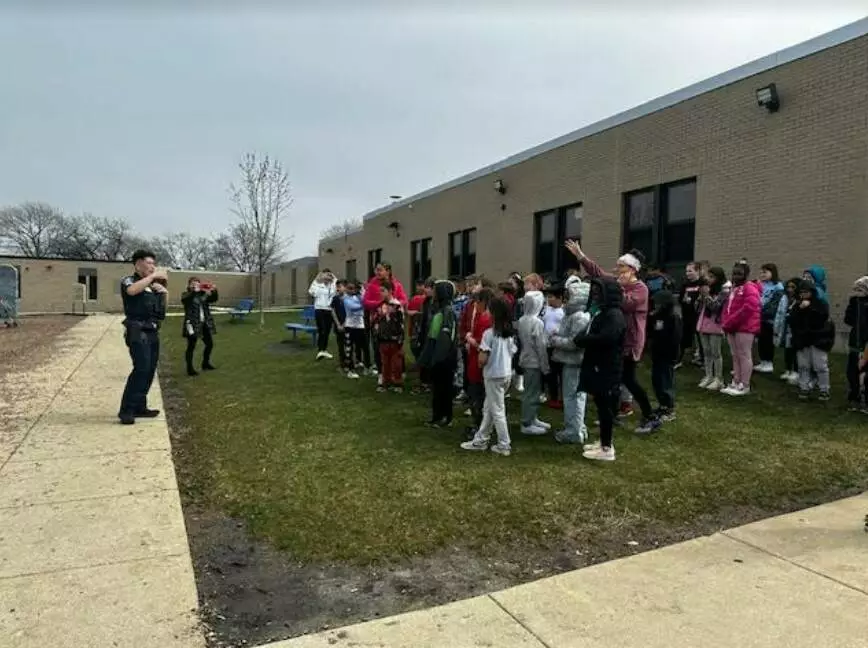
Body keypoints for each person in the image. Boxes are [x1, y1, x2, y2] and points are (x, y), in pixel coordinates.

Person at [564, 240, 657, 432]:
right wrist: (580, 256)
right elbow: (598, 273)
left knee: (629, 380)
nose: (617, 270)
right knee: (615, 379)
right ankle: (611, 416)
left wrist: (617, 288)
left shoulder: (641, 289)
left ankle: (649, 414)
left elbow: (627, 304)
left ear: (633, 269)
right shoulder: (619, 283)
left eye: (621, 267)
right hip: (617, 338)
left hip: (631, 341)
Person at [574, 277, 626, 462]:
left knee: (606, 408)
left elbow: (607, 338)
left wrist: (583, 340)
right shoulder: (603, 312)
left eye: (598, 292)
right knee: (601, 404)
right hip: (599, 364)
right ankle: (605, 441)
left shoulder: (614, 315)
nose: (595, 295)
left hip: (607, 366)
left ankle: (606, 448)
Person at [460, 297, 518, 456]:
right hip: (505, 374)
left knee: (497, 410)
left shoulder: (489, 334)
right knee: (489, 408)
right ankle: (481, 439)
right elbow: (513, 351)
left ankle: (504, 444)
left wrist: (479, 360)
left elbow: (483, 358)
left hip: (493, 375)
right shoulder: (508, 333)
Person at [118, 249, 168, 425]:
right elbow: (131, 291)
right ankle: (126, 410)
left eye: (154, 264)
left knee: (149, 370)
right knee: (141, 368)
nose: (153, 267)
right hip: (137, 330)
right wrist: (152, 278)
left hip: (152, 330)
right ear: (138, 264)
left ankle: (140, 406)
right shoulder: (129, 280)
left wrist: (163, 293)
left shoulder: (150, 287)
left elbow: (160, 312)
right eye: (149, 263)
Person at [548, 276, 592, 444]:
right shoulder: (573, 315)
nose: (565, 300)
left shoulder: (579, 317)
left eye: (569, 296)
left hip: (575, 361)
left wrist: (555, 340)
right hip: (571, 361)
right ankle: (577, 427)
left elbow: (575, 342)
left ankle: (573, 431)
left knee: (572, 396)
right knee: (575, 395)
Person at [420, 280, 459, 427]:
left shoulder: (448, 312)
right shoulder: (437, 310)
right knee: (436, 388)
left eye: (436, 290)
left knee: (445, 388)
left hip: (445, 356)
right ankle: (436, 415)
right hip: (436, 353)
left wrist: (439, 357)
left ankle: (446, 416)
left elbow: (447, 337)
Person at [363, 262, 408, 384]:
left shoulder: (396, 284)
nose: (377, 272)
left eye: (380, 270)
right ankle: (381, 373)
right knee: (379, 348)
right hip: (378, 322)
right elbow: (365, 302)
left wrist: (394, 305)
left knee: (396, 349)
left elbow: (403, 300)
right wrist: (379, 304)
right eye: (376, 270)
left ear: (388, 271)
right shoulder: (372, 284)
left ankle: (398, 374)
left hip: (394, 323)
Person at [790, 280, 835, 401]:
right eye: (801, 292)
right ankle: (804, 387)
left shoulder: (820, 304)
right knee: (803, 366)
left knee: (821, 366)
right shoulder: (796, 306)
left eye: (806, 292)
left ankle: (824, 389)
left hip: (817, 339)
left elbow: (823, 318)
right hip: (802, 340)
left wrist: (810, 308)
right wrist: (800, 309)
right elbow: (793, 321)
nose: (804, 295)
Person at [721, 262, 761, 396]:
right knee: (735, 355)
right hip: (732, 326)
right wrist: (726, 321)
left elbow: (749, 308)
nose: (736, 276)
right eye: (734, 273)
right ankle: (736, 380)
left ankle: (745, 384)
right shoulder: (734, 289)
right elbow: (728, 308)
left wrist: (731, 321)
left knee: (744, 355)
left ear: (746, 275)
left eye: (739, 274)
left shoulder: (750, 288)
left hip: (745, 327)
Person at [644, 290, 682, 427]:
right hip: (657, 354)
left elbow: (675, 339)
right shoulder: (656, 317)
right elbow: (651, 332)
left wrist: (672, 354)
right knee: (656, 380)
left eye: (659, 303)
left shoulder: (673, 318)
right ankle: (662, 405)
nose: (656, 305)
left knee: (666, 380)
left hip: (667, 355)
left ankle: (669, 408)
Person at [518, 290, 551, 435]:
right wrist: (545, 366)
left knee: (531, 391)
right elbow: (540, 346)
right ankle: (527, 422)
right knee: (531, 393)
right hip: (534, 361)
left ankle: (533, 417)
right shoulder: (536, 322)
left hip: (526, 359)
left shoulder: (522, 320)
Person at [464, 288, 494, 439]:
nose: (475, 305)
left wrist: (469, 338)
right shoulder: (489, 317)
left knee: (477, 395)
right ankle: (482, 425)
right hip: (479, 363)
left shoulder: (485, 319)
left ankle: (479, 426)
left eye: (477, 301)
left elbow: (482, 344)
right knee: (482, 395)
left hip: (478, 363)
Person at [696, 266, 729, 390]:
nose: (708, 279)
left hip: (716, 324)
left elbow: (715, 307)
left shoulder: (724, 292)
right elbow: (697, 308)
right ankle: (708, 375)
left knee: (716, 352)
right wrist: (700, 298)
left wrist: (707, 295)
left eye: (712, 277)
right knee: (706, 351)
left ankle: (719, 378)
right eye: (708, 276)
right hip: (703, 322)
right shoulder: (706, 290)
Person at [181, 277, 218, 377]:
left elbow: (213, 299)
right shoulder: (186, 295)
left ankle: (205, 363)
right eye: (193, 284)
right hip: (192, 324)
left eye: (197, 283)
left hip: (204, 323)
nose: (195, 285)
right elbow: (186, 300)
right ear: (189, 285)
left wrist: (213, 290)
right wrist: (194, 291)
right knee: (191, 346)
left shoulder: (203, 295)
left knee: (209, 344)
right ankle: (190, 368)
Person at [371, 281, 405, 393]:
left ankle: (398, 383)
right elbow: (376, 321)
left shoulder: (397, 305)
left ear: (390, 291)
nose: (380, 293)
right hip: (382, 339)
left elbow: (401, 323)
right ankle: (386, 382)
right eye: (379, 291)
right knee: (385, 363)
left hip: (395, 339)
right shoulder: (380, 306)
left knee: (396, 363)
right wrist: (377, 332)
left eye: (383, 291)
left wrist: (400, 337)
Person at [755, 263, 784, 374]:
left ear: (773, 273)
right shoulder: (760, 285)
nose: (762, 274)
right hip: (759, 317)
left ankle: (769, 363)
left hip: (769, 318)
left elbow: (775, 304)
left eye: (765, 272)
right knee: (761, 340)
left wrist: (763, 311)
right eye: (761, 272)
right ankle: (763, 361)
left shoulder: (778, 286)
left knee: (768, 340)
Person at [845, 276, 868, 412]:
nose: (857, 290)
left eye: (861, 288)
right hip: (855, 341)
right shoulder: (854, 302)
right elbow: (848, 320)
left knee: (865, 373)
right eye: (856, 288)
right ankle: (854, 397)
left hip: (866, 344)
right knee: (852, 372)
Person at [774, 277, 801, 385]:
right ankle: (787, 369)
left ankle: (795, 371)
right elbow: (779, 313)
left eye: (793, 287)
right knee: (787, 350)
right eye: (788, 287)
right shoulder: (784, 298)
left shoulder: (799, 300)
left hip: (794, 329)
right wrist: (777, 327)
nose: (790, 289)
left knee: (794, 351)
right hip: (784, 328)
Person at [543, 285, 565, 408]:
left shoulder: (563, 312)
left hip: (559, 346)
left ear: (559, 298)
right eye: (548, 297)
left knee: (561, 373)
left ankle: (563, 397)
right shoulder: (546, 310)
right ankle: (553, 397)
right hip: (548, 345)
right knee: (551, 373)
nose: (549, 299)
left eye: (551, 297)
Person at [678, 262, 704, 368]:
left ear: (697, 271)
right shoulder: (685, 284)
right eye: (687, 271)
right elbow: (680, 299)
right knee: (683, 338)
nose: (688, 273)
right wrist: (683, 300)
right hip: (686, 316)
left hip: (698, 316)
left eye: (690, 271)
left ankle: (702, 360)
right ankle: (678, 359)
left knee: (701, 340)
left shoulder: (702, 283)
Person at [342, 281, 368, 378]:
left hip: (360, 325)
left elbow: (364, 301)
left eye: (354, 288)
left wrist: (363, 292)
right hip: (350, 326)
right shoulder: (345, 298)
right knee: (349, 348)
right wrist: (363, 304)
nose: (352, 290)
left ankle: (366, 366)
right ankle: (350, 369)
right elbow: (353, 307)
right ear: (346, 289)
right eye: (350, 288)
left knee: (364, 346)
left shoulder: (357, 296)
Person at [309, 270, 336, 360]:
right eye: (325, 275)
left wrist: (333, 277)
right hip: (319, 309)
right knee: (322, 330)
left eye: (329, 275)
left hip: (329, 310)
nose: (327, 277)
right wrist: (318, 279)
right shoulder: (317, 284)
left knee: (327, 331)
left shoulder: (332, 285)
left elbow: (338, 286)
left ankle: (324, 350)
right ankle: (320, 350)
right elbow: (311, 292)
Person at [329, 279, 350, 374]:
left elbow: (350, 313)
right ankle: (342, 363)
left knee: (348, 346)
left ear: (345, 288)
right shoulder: (335, 299)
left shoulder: (349, 299)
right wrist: (338, 324)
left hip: (348, 326)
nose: (337, 289)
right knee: (340, 345)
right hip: (338, 326)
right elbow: (332, 311)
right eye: (336, 287)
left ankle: (349, 364)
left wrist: (344, 324)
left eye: (340, 286)